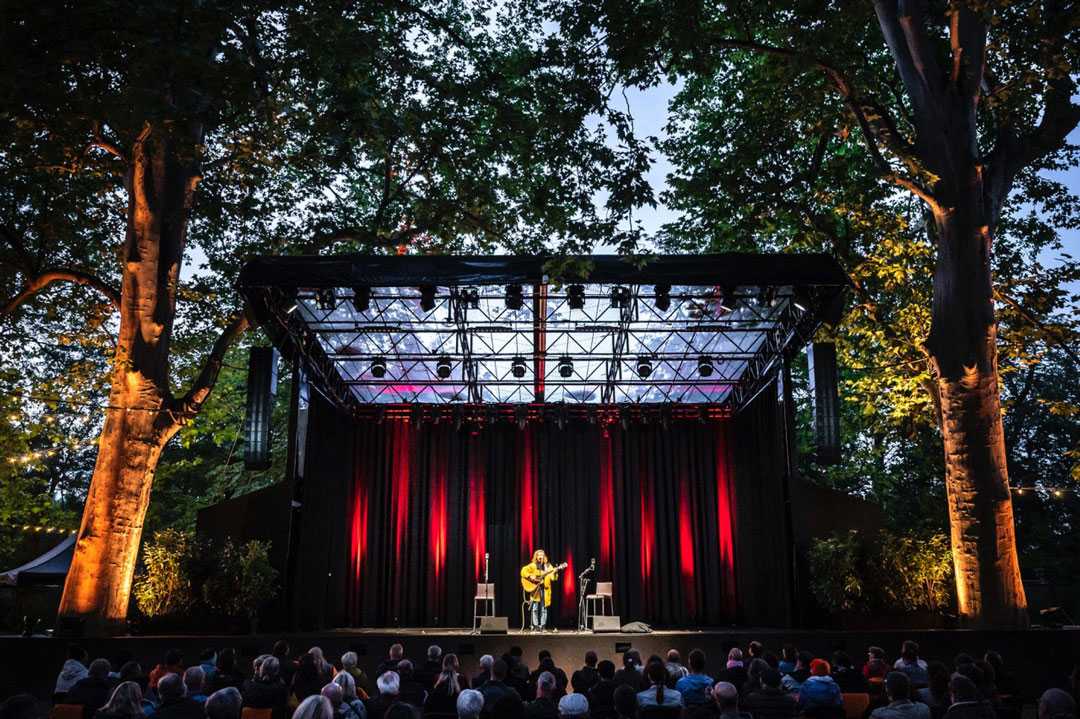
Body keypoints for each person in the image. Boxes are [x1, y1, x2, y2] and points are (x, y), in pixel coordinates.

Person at [520, 550, 562, 632]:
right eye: (539, 555)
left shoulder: (548, 566)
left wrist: (556, 572)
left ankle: (543, 626)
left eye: (542, 555)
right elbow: (523, 571)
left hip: (545, 590)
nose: (540, 557)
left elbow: (553, 578)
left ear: (544, 557)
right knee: (535, 608)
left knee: (544, 608)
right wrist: (530, 576)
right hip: (535, 589)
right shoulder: (533, 565)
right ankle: (535, 626)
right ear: (536, 557)